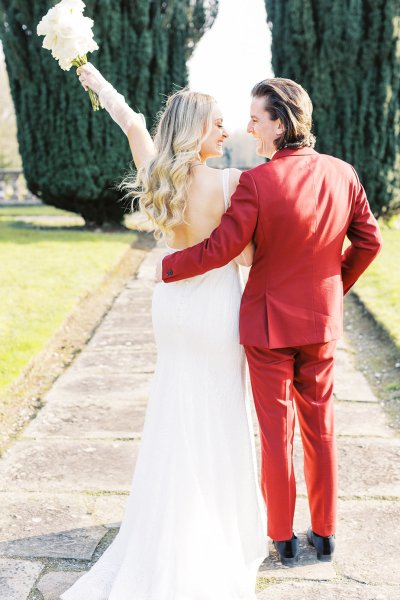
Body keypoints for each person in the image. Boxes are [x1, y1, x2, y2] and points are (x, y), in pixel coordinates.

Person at [60, 63, 266, 600]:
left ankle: (162, 525)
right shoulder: (229, 177)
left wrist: (93, 77)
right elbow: (242, 255)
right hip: (216, 307)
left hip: (172, 307)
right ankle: (215, 529)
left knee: (174, 409)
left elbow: (129, 120)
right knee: (219, 413)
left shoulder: (156, 169)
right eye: (218, 124)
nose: (225, 132)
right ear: (197, 129)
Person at [161, 78, 383, 565]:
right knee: (320, 429)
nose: (248, 127)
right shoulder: (344, 174)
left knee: (274, 433)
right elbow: (370, 243)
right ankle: (324, 535)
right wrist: (331, 290)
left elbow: (220, 250)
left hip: (266, 328)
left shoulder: (257, 183)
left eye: (257, 119)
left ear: (280, 124)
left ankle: (281, 538)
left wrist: (168, 267)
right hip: (319, 325)